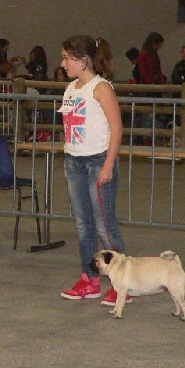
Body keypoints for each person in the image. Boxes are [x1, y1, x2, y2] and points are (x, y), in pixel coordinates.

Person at [58, 35, 128, 307]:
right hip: (74, 161)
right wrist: (68, 160)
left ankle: (123, 282)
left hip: (98, 161)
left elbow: (116, 127)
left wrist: (108, 165)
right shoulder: (71, 88)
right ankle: (89, 279)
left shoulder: (101, 88)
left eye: (67, 58)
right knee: (82, 225)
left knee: (104, 224)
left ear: (83, 60)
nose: (63, 63)